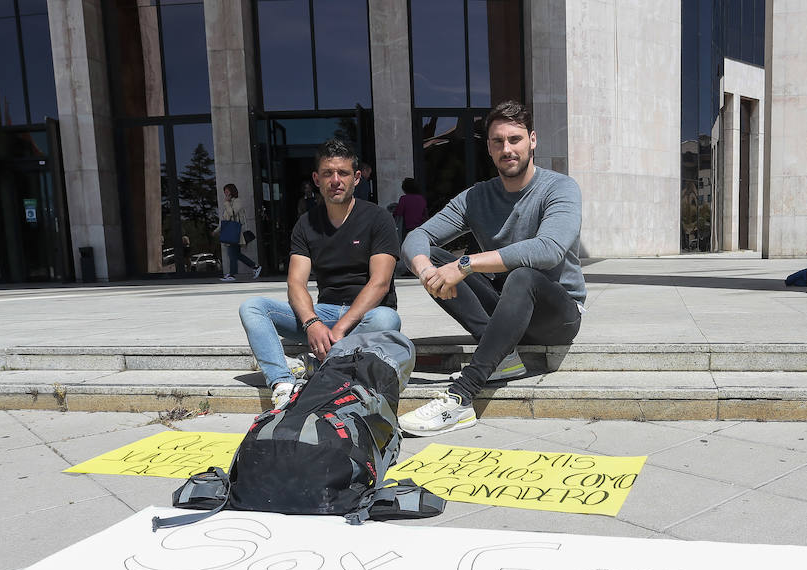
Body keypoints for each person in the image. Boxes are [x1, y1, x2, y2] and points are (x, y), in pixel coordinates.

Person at [399, 99, 586, 435]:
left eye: (515, 139)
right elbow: (417, 237)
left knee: (523, 275)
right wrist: (429, 273)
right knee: (440, 260)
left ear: (532, 140)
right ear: (488, 147)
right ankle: (503, 356)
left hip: (556, 316)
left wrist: (467, 264)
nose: (507, 149)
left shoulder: (560, 188)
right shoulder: (476, 197)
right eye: (498, 141)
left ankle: (461, 397)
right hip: (506, 314)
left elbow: (549, 249)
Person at [239, 139, 402, 408]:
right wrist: (312, 322)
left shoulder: (377, 218)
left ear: (357, 178)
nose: (335, 180)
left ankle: (316, 366)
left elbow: (380, 283)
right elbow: (296, 283)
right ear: (316, 178)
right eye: (327, 173)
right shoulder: (306, 223)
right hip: (324, 313)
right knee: (253, 307)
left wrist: (339, 328)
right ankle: (282, 383)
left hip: (367, 316)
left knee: (386, 319)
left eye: (343, 173)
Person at [218, 183, 261, 281]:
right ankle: (255, 267)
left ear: (232, 191)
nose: (226, 193)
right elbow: (225, 220)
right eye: (224, 191)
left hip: (235, 233)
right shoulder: (229, 203)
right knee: (236, 254)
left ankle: (232, 275)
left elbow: (232, 213)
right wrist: (217, 230)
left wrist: (227, 203)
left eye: (227, 191)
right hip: (231, 232)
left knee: (232, 254)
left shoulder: (237, 201)